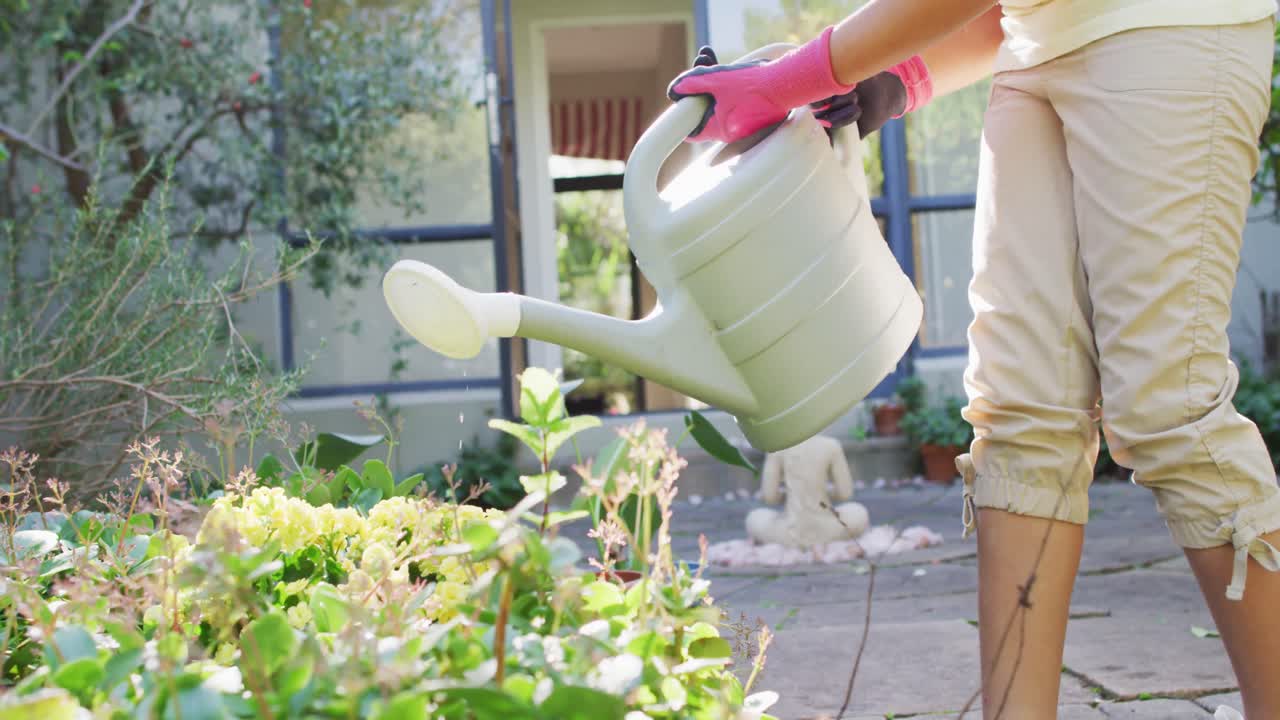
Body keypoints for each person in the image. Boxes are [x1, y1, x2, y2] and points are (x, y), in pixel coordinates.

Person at [666, 2, 1280, 718]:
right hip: (1034, 45)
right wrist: (889, 80)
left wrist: (792, 78)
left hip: (1165, 27)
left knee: (1169, 406)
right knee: (1021, 418)